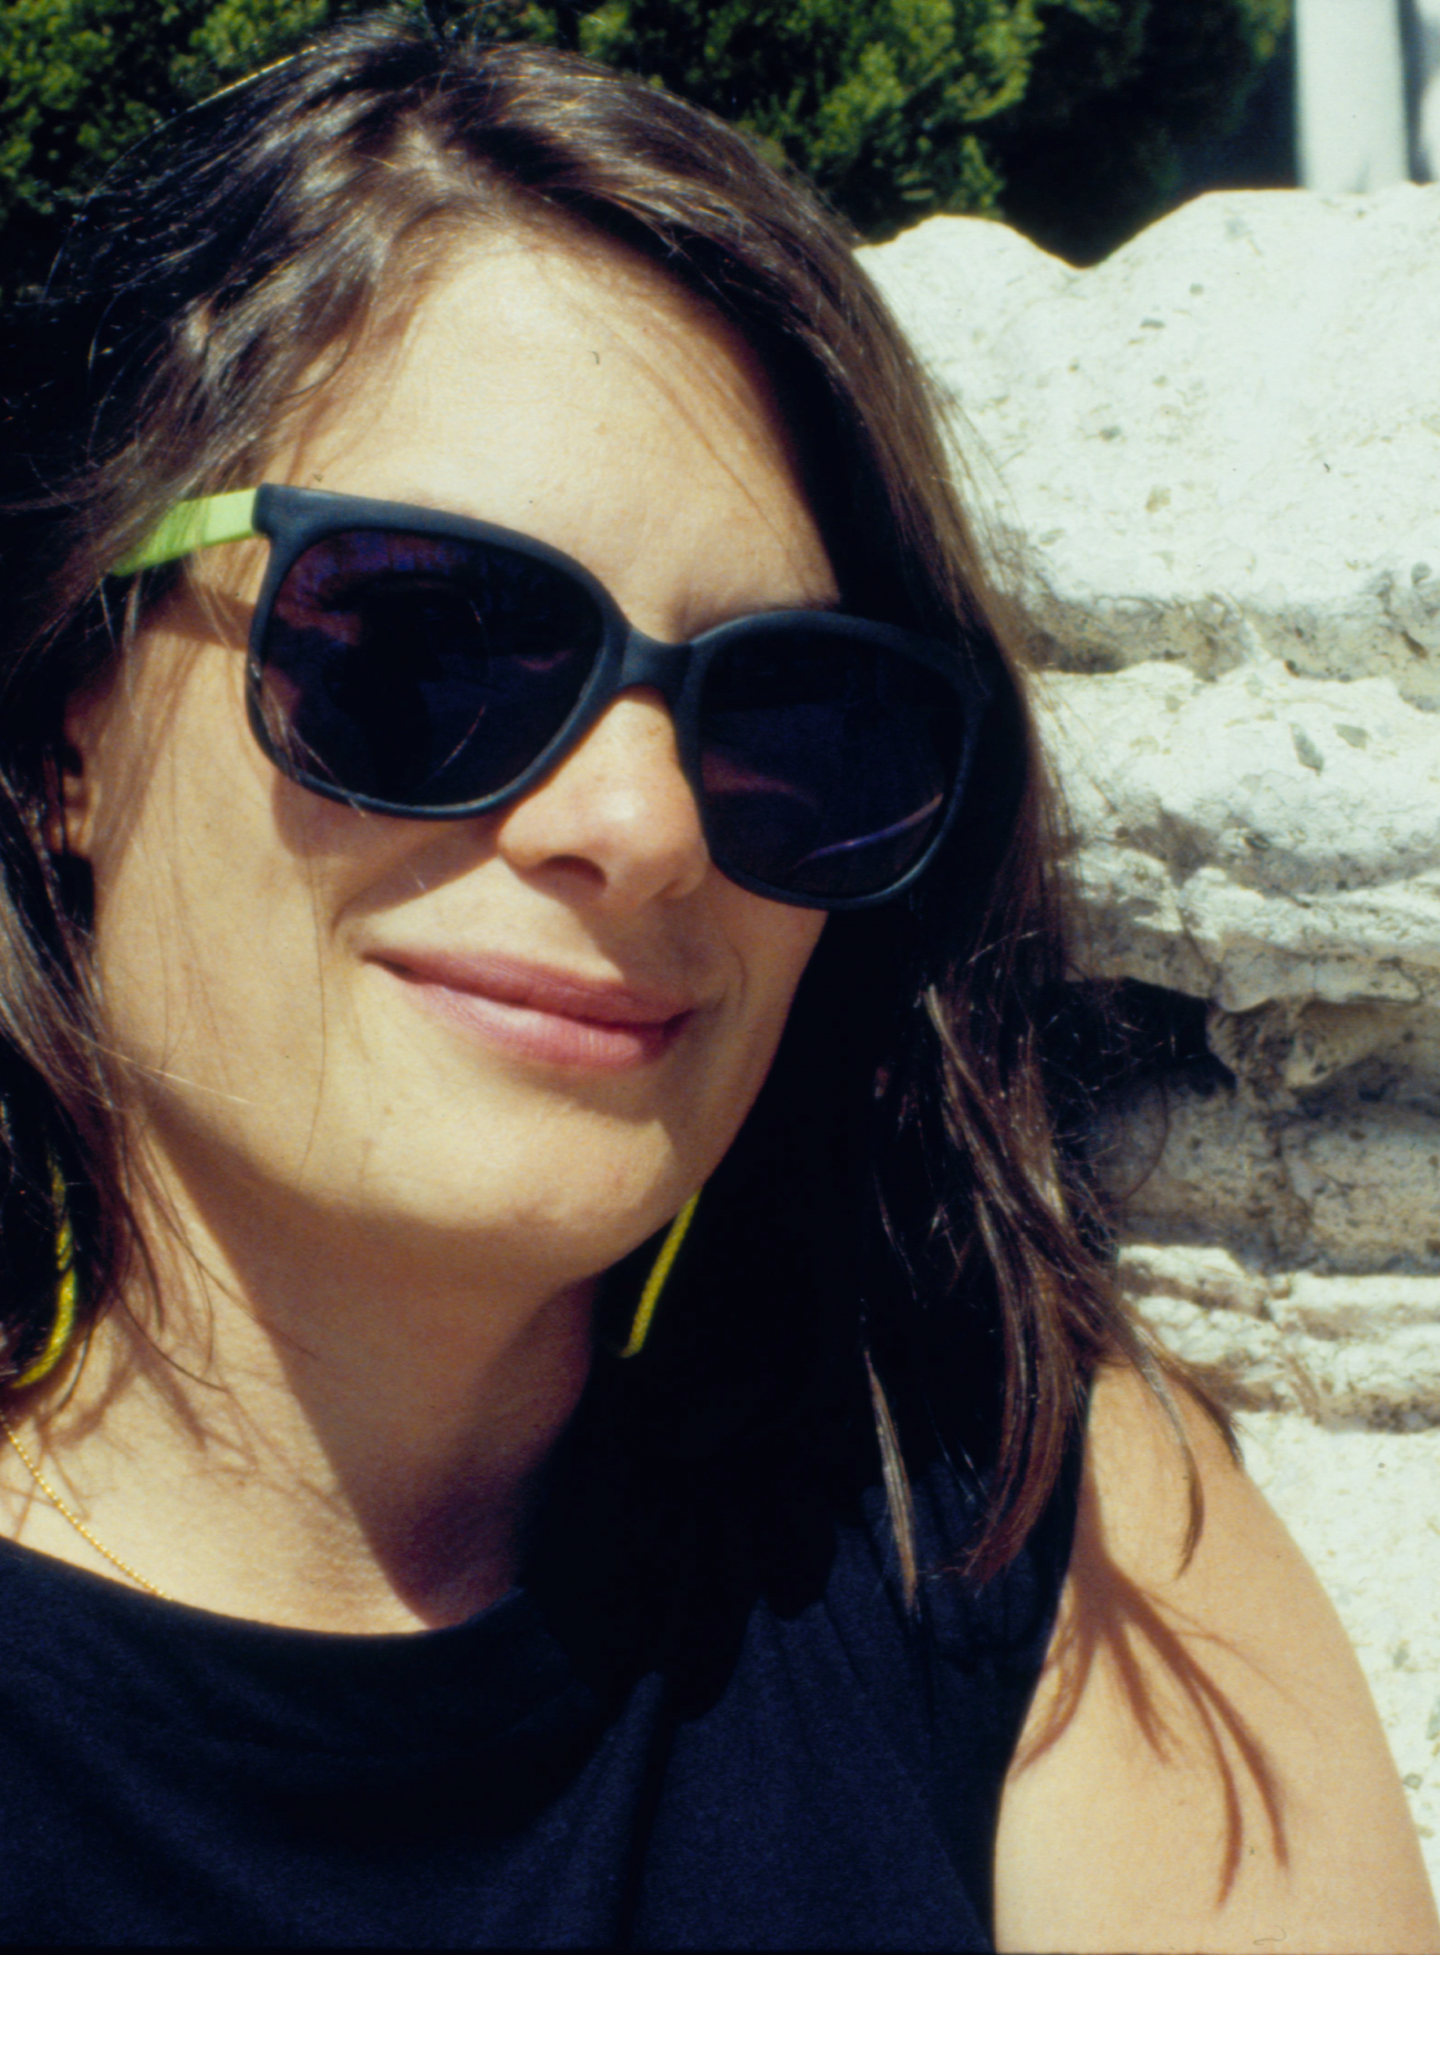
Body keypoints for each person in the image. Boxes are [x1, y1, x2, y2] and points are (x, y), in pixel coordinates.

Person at [0, 15, 1433, 1954]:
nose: (643, 823)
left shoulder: (1044, 1543)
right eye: (425, 645)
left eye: (796, 719)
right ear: (63, 724)